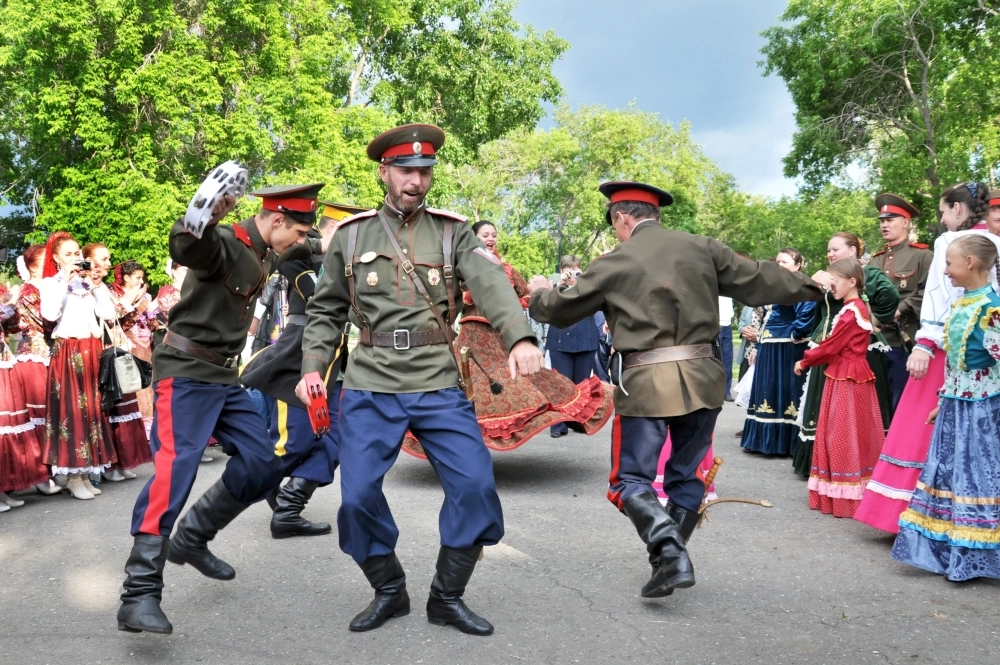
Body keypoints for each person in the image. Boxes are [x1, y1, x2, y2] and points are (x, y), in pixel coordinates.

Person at [298, 123, 544, 636]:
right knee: (358, 496)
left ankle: (446, 597)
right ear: (384, 171)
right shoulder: (351, 235)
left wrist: (519, 336)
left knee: (475, 486)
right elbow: (323, 313)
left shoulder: (454, 233)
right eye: (406, 170)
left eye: (424, 171)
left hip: (437, 382)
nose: (416, 180)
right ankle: (389, 591)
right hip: (370, 384)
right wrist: (312, 369)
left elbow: (492, 285)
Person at [527, 181, 822, 600]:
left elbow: (558, 309)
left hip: (647, 383)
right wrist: (816, 286)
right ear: (656, 215)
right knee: (685, 477)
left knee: (628, 480)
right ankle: (668, 563)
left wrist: (537, 295)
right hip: (705, 380)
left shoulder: (615, 261)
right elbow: (759, 278)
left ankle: (668, 550)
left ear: (622, 218)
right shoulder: (701, 247)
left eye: (615, 225)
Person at [117, 183, 331, 635]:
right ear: (276, 221)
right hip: (187, 373)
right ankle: (138, 595)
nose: (298, 243)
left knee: (263, 461)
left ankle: (193, 538)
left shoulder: (273, 247)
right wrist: (205, 211)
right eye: (294, 233)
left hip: (224, 378)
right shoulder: (225, 244)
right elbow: (188, 242)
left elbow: (317, 243)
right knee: (174, 472)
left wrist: (352, 231)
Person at [855, 182, 1000, 533]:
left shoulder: (949, 243)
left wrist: (924, 345)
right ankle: (975, 521)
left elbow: (936, 297)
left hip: (950, 350)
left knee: (928, 432)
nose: (942, 218)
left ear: (958, 210)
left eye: (942, 211)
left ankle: (916, 514)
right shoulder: (995, 242)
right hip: (984, 355)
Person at [402, 220, 612, 458]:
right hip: (470, 339)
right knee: (462, 388)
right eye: (484, 235)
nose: (490, 238)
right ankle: (458, 445)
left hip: (501, 338)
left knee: (517, 384)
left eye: (494, 234)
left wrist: (515, 304)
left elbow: (527, 295)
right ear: (472, 239)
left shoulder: (508, 269)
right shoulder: (457, 267)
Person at [241, 201, 365, 539]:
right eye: (349, 232)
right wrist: (321, 248)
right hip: (296, 362)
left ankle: (288, 508)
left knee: (337, 436)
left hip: (334, 365)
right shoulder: (299, 253)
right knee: (293, 442)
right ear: (333, 231)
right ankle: (229, 499)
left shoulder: (349, 263)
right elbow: (310, 286)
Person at [891, 235, 1000, 580]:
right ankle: (948, 553)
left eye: (950, 264)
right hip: (956, 407)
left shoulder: (991, 308)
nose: (947, 271)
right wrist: (945, 400)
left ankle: (977, 558)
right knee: (950, 476)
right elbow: (955, 363)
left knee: (977, 479)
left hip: (983, 411)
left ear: (970, 263)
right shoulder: (962, 304)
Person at [792, 232, 898, 479]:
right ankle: (832, 468)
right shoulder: (830, 277)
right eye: (828, 249)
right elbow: (819, 311)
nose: (830, 253)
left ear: (853, 252)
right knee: (830, 414)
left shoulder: (864, 278)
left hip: (847, 356)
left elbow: (889, 296)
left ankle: (846, 470)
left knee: (846, 419)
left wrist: (876, 321)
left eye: (836, 249)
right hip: (830, 348)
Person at [794, 258, 885, 518]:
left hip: (847, 377)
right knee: (852, 432)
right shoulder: (853, 308)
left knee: (842, 433)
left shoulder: (852, 311)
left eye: (836, 281)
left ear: (852, 282)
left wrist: (805, 359)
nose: (831, 286)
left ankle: (846, 496)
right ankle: (850, 491)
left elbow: (833, 346)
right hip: (848, 375)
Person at [38, 232, 118, 499]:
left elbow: (108, 314)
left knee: (91, 412)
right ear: (57, 258)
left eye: (77, 254)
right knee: (72, 412)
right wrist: (66, 279)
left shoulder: (86, 285)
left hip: (91, 350)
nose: (75, 258)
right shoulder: (51, 283)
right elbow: (49, 315)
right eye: (69, 254)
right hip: (69, 352)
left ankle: (84, 473)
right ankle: (72, 476)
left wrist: (94, 283)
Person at [82, 245, 151, 483]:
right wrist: (128, 301)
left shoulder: (107, 288)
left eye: (109, 259)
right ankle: (110, 464)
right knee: (111, 409)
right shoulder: (85, 287)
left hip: (118, 348)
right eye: (103, 259)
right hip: (102, 351)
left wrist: (135, 303)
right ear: (89, 261)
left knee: (126, 407)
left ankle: (123, 461)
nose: (107, 263)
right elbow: (106, 317)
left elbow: (122, 321)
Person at [740, 248, 815, 455]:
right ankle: (763, 442)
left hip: (787, 347)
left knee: (786, 391)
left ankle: (784, 443)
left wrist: (793, 335)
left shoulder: (799, 284)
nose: (779, 265)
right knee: (767, 390)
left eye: (785, 262)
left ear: (798, 265)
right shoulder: (774, 284)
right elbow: (765, 318)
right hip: (769, 345)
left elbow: (806, 314)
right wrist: (758, 344)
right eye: (778, 262)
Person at [869, 194, 932, 409]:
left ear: (906, 222)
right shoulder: (875, 260)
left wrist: (898, 310)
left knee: (902, 405)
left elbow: (929, 294)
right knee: (876, 405)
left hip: (905, 341)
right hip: (875, 340)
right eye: (882, 221)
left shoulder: (922, 256)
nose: (884, 225)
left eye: (890, 220)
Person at [11, 244, 62, 496]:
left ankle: (55, 469)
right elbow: (47, 322)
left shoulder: (51, 286)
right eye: (45, 260)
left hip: (53, 354)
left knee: (55, 413)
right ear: (32, 265)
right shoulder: (29, 290)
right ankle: (42, 474)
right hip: (35, 356)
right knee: (42, 416)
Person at [0, 282, 49, 511]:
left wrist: (9, 305)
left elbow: (10, 326)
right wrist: (9, 303)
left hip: (3, 358)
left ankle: (3, 490)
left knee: (10, 424)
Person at [545, 255, 601, 438]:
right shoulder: (555, 289)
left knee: (582, 385)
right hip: (560, 344)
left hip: (586, 341)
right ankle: (558, 424)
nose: (572, 274)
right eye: (567, 270)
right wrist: (561, 284)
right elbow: (548, 306)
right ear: (561, 272)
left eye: (575, 270)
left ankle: (578, 421)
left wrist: (583, 281)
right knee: (561, 385)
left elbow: (597, 303)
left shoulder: (588, 289)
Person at [109, 260, 158, 432]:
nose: (140, 281)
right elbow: (120, 324)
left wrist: (153, 324)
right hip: (129, 344)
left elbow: (151, 322)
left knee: (147, 384)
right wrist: (138, 305)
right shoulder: (114, 294)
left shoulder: (145, 295)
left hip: (145, 345)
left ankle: (150, 427)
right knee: (133, 384)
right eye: (137, 278)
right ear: (126, 277)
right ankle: (137, 428)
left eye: (141, 278)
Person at [718, 296, 735, 399]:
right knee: (717, 359)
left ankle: (726, 391)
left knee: (728, 360)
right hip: (716, 323)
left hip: (727, 323)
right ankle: (716, 391)